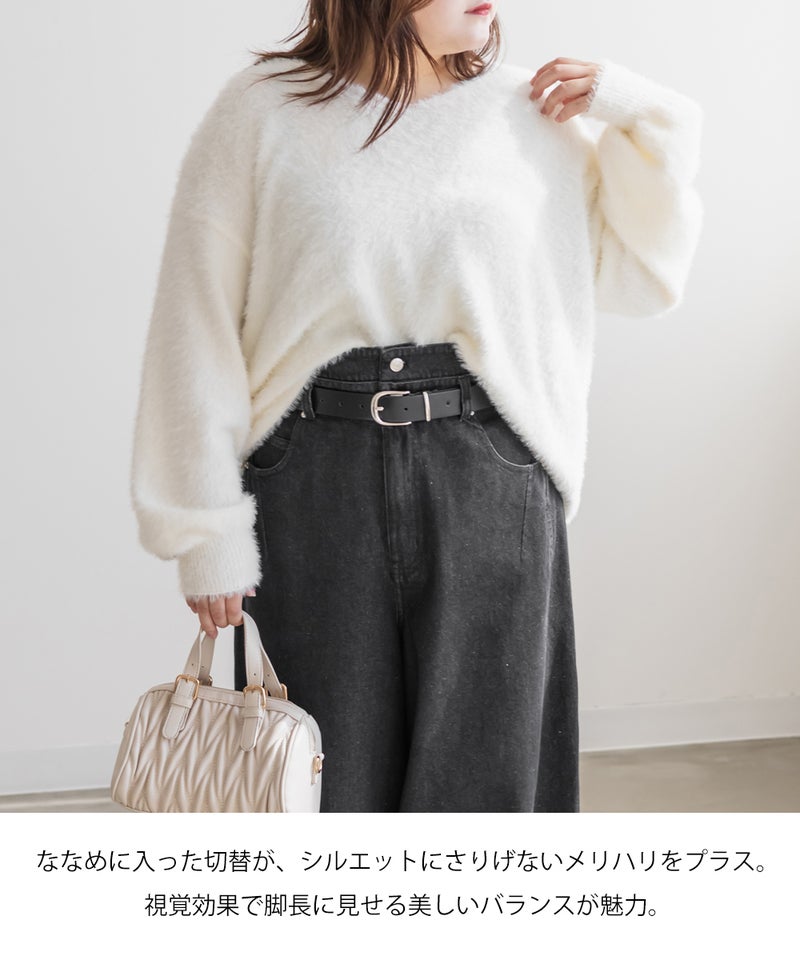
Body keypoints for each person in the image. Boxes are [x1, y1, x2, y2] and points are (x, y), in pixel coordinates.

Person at [129, 0, 703, 812]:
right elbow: (196, 319)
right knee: (325, 783)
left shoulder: (529, 116)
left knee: (489, 788)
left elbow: (640, 280)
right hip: (313, 474)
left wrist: (651, 117)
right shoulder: (263, 111)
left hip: (492, 470)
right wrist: (203, 530)